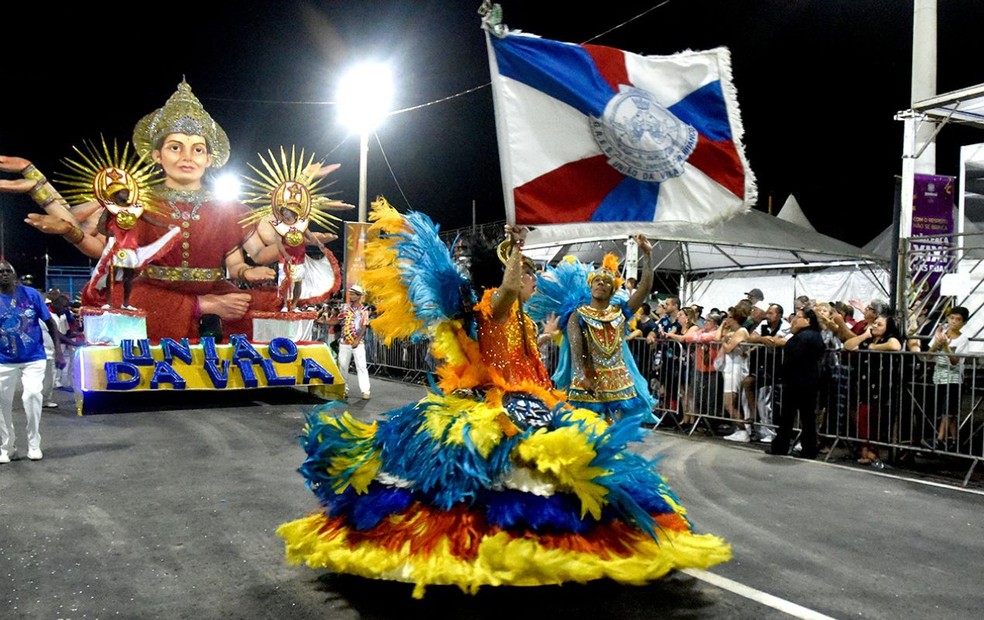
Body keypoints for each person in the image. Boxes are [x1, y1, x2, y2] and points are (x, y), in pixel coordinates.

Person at [276, 202, 730, 597]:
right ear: (509, 273)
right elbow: (509, 290)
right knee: (493, 470)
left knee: (578, 463)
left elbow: (528, 327)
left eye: (529, 274)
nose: (534, 282)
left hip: (538, 397)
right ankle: (487, 547)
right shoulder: (492, 303)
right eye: (529, 275)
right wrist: (516, 250)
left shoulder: (523, 314)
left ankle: (556, 542)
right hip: (500, 399)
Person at [0, 80, 283, 341]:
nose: (187, 157)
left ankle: (214, 327)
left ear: (210, 159)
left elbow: (252, 255)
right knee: (127, 297)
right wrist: (39, 184)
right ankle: (199, 311)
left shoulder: (229, 208)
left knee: (265, 301)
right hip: (156, 293)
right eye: (175, 147)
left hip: (215, 286)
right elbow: (101, 244)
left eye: (197, 150)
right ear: (157, 155)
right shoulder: (139, 201)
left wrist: (277, 248)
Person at [566, 235, 655, 423]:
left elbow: (645, 288)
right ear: (590, 286)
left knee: (615, 433)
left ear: (612, 290)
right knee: (588, 432)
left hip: (618, 382)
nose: (601, 283)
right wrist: (582, 376)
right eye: (597, 280)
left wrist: (647, 255)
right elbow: (576, 349)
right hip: (589, 381)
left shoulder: (620, 312)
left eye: (606, 282)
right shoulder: (578, 315)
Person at [0, 261, 64, 463]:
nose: (3, 274)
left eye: (7, 271)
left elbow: (50, 323)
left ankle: (34, 444)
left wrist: (59, 351)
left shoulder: (31, 295)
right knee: (2, 404)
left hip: (33, 357)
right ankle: (6, 447)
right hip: (3, 359)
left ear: (14, 273)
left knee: (33, 395)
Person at [844, 314, 903, 466]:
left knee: (873, 419)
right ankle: (865, 449)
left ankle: (872, 451)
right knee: (861, 418)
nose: (875, 326)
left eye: (880, 324)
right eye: (875, 323)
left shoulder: (889, 339)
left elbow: (895, 346)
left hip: (882, 386)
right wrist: (865, 335)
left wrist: (874, 348)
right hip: (864, 384)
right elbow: (848, 345)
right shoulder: (867, 339)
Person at [767, 307, 826, 459]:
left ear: (807, 320)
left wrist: (784, 373)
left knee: (789, 416)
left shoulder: (804, 337)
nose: (794, 320)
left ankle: (783, 446)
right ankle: (807, 448)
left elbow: (795, 358)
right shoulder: (813, 336)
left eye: (799, 317)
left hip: (798, 381)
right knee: (806, 417)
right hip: (807, 381)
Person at [928, 306, 969, 451]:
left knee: (948, 410)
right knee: (947, 411)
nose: (954, 322)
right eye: (952, 318)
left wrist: (945, 345)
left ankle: (940, 439)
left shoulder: (963, 339)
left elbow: (954, 361)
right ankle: (955, 441)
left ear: (963, 323)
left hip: (954, 378)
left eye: (958, 320)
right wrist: (937, 343)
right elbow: (928, 355)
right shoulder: (941, 334)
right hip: (939, 377)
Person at [333, 284, 372, 399]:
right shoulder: (344, 308)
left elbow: (364, 326)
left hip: (358, 343)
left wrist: (357, 340)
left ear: (359, 296)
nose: (350, 296)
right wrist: (321, 321)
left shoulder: (363, 311)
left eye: (353, 294)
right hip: (344, 342)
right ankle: (343, 389)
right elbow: (337, 321)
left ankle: (365, 391)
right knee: (343, 366)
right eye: (350, 294)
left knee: (361, 366)